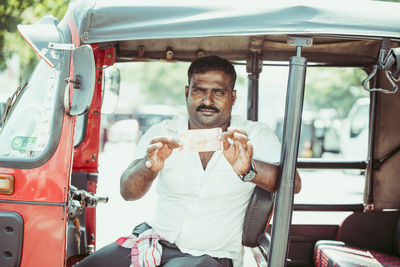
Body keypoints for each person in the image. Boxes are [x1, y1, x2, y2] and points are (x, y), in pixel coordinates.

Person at [74, 55, 301, 267]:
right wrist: (149, 166)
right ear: (187, 93)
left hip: (212, 255)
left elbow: (294, 183)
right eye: (199, 90)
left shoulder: (253, 135)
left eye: (218, 92)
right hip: (155, 240)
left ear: (233, 97)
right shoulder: (164, 131)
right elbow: (127, 192)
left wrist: (248, 169)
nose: (208, 100)